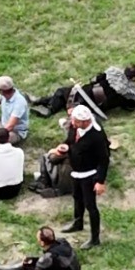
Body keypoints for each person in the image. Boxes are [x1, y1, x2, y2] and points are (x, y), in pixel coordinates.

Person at [49, 105, 109, 248]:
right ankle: (78, 222)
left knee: (91, 206)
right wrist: (63, 147)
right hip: (76, 171)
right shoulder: (75, 127)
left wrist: (100, 181)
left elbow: (104, 159)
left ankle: (95, 238)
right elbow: (70, 141)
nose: (73, 124)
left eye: (76, 121)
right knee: (77, 197)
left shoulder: (97, 136)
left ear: (85, 121)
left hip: (89, 174)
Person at [29, 64, 135, 118]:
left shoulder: (111, 75)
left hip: (89, 96)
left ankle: (48, 108)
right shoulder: (130, 93)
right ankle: (42, 101)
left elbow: (94, 80)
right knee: (69, 96)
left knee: (62, 92)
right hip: (98, 108)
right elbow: (130, 107)